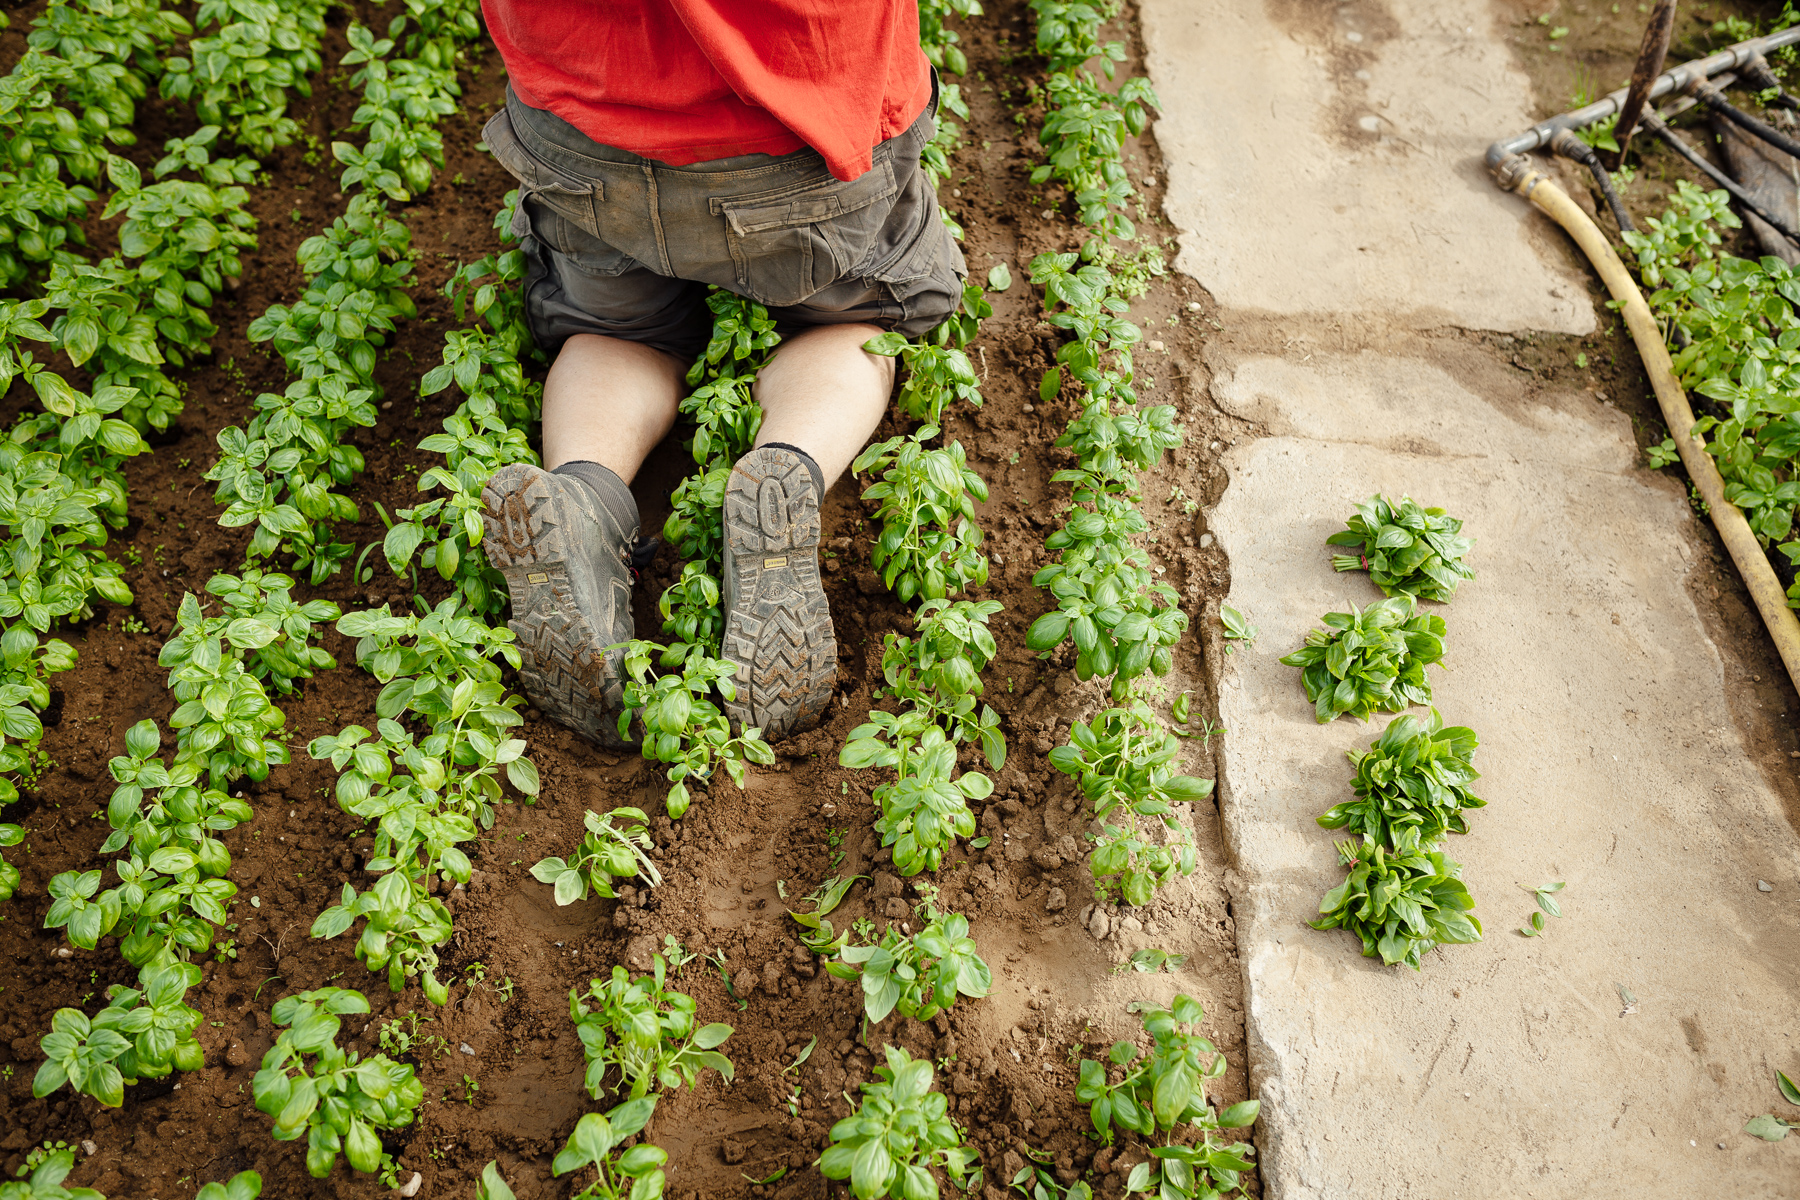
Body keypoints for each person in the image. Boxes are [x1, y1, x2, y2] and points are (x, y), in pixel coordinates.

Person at [475, 0, 965, 748]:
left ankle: (585, 493)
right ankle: (787, 461)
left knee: (614, 330)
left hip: (588, 144)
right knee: (856, 318)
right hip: (799, 143)